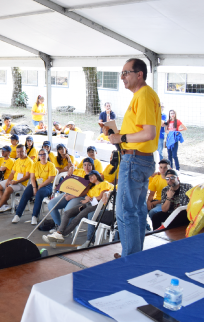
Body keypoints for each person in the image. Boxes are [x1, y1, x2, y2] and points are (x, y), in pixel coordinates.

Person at [104, 58, 161, 257]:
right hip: (139, 159)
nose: (122, 77)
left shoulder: (143, 95)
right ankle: (134, 255)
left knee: (126, 212)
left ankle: (129, 259)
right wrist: (115, 135)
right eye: (122, 73)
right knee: (136, 211)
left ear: (140, 74)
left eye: (126, 72)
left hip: (135, 161)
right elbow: (140, 132)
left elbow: (148, 133)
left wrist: (121, 137)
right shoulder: (144, 95)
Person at [43, 170, 113, 244]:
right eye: (89, 177)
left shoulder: (104, 183)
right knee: (68, 213)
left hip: (96, 206)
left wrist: (90, 198)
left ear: (97, 175)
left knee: (79, 216)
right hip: (87, 205)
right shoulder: (92, 187)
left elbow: (101, 197)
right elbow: (86, 197)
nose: (90, 178)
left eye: (92, 176)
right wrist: (87, 198)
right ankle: (59, 233)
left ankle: (60, 234)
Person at [12, 149, 58, 225]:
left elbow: (50, 179)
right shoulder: (35, 164)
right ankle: (18, 214)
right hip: (36, 183)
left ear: (47, 155)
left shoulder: (51, 165)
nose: (42, 156)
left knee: (39, 194)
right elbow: (32, 178)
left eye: (44, 154)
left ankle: (34, 216)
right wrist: (34, 187)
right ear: (38, 156)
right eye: (41, 154)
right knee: (26, 192)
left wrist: (41, 186)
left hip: (48, 185)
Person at [0, 144, 33, 212]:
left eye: (21, 151)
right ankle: (5, 205)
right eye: (18, 152)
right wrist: (8, 180)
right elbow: (12, 173)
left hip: (22, 184)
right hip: (14, 181)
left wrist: (16, 182)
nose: (19, 153)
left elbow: (27, 176)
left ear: (25, 151)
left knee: (7, 189)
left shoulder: (29, 162)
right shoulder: (17, 160)